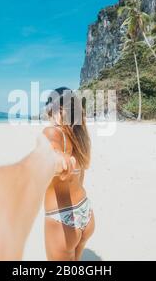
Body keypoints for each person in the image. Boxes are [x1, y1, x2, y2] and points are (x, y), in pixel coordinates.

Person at [43, 87, 95, 261]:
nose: (48, 117)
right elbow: (81, 177)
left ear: (59, 110)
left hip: (63, 219)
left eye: (49, 111)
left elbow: (53, 152)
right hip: (85, 212)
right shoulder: (80, 137)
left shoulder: (53, 132)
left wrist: (59, 160)